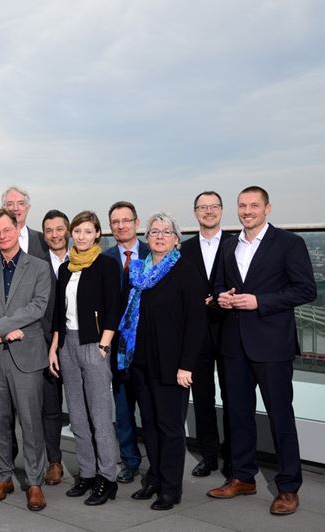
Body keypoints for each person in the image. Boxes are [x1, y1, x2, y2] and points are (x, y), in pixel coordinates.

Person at [207, 186, 316, 516]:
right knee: (238, 414)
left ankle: (288, 487)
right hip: (234, 344)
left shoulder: (289, 243)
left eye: (254, 205)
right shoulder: (229, 245)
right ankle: (243, 477)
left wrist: (261, 302)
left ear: (267, 208)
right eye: (242, 205)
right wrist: (222, 297)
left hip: (272, 344)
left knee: (280, 416)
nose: (247, 211)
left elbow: (305, 290)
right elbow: (217, 285)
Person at [119, 213, 206, 510]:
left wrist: (187, 365)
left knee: (170, 428)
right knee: (150, 425)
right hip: (141, 362)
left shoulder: (185, 271)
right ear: (147, 238)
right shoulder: (138, 271)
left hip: (172, 365)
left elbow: (196, 323)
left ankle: (171, 489)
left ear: (176, 239)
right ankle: (154, 479)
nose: (159, 236)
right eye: (154, 231)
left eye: (166, 232)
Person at [0, 208, 52, 512]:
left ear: (17, 229)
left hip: (26, 355)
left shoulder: (39, 267)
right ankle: (3, 476)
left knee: (31, 422)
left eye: (6, 229)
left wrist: (0, 327)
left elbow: (38, 306)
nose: (2, 236)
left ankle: (34, 481)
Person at [49, 211, 121, 506]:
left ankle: (107, 478)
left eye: (87, 231)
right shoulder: (66, 268)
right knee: (77, 416)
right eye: (77, 231)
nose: (81, 236)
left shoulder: (106, 264)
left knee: (100, 416)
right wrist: (54, 348)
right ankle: (88, 474)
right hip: (68, 344)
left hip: (94, 344)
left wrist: (104, 345)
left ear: (97, 234)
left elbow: (114, 307)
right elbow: (58, 312)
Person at [180, 191, 233, 478]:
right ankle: (209, 455)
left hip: (230, 328)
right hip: (197, 331)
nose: (208, 211)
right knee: (202, 397)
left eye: (213, 207)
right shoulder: (184, 249)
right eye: (203, 207)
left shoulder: (237, 243)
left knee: (233, 395)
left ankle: (233, 456)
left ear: (221, 210)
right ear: (195, 212)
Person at [103, 201, 146, 483]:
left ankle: (158, 462)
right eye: (116, 222)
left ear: (136, 223)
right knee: (123, 408)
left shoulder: (155, 253)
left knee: (151, 409)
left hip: (148, 345)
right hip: (117, 346)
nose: (121, 226)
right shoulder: (104, 259)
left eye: (126, 220)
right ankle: (130, 461)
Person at [40, 209, 69, 486]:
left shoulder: (84, 259)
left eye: (59, 229)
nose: (54, 235)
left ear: (68, 230)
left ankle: (95, 462)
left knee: (85, 406)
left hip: (79, 343)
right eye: (49, 230)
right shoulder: (37, 264)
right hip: (46, 344)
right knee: (50, 407)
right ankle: (54, 461)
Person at [0, 186, 49, 260]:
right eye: (10, 204)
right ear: (3, 208)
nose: (15, 208)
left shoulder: (43, 239)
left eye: (20, 203)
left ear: (27, 208)